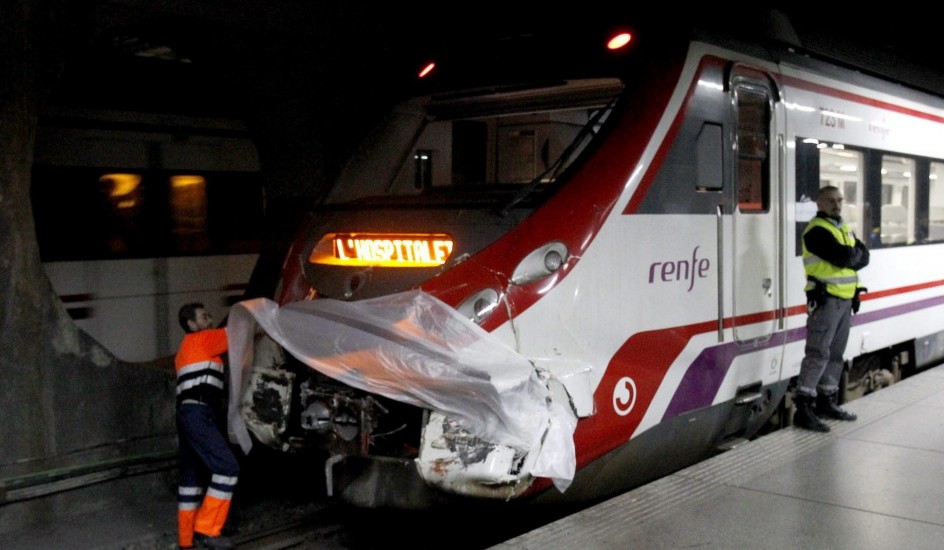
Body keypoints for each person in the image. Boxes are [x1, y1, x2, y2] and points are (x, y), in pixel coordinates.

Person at [794, 186, 869, 432]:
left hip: (845, 301)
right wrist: (852, 255)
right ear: (819, 204)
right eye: (830, 201)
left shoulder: (842, 228)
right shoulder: (816, 231)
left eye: (839, 200)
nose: (836, 205)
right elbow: (844, 258)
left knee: (836, 354)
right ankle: (804, 408)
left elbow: (864, 256)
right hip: (826, 301)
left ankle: (826, 401)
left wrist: (852, 254)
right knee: (818, 353)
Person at [175, 303, 239, 549]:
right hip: (198, 414)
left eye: (209, 314)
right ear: (191, 325)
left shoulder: (183, 350)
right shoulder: (204, 339)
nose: (210, 319)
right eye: (204, 316)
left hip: (185, 414)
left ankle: (186, 541)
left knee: (190, 480)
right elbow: (238, 332)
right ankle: (207, 528)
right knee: (227, 467)